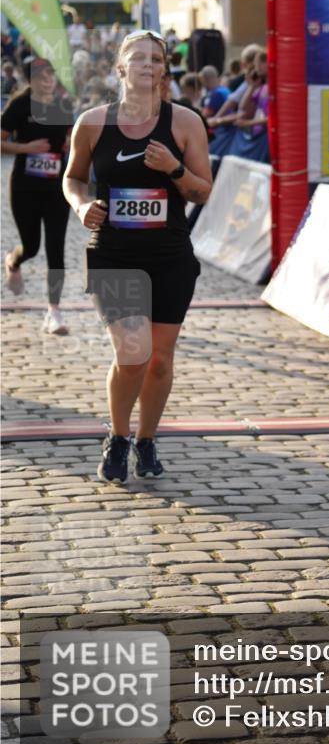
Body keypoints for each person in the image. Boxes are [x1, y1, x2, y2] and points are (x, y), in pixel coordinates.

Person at [63, 30, 212, 483]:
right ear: (120, 68)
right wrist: (82, 205)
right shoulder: (92, 122)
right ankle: (119, 434)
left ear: (164, 69)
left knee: (160, 359)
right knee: (132, 352)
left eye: (156, 58)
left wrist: (173, 168)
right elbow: (73, 179)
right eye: (138, 57)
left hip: (169, 255)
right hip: (114, 254)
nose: (148, 64)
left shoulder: (185, 122)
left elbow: (201, 190)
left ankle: (146, 439)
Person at [1, 58, 73, 333]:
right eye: (42, 77)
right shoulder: (20, 105)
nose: (48, 82)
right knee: (31, 247)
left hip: (56, 188)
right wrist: (26, 148)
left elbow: (71, 137)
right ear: (31, 81)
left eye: (51, 77)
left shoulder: (62, 105)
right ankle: (13, 260)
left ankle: (54, 312)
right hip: (24, 188)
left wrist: (70, 143)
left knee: (56, 250)